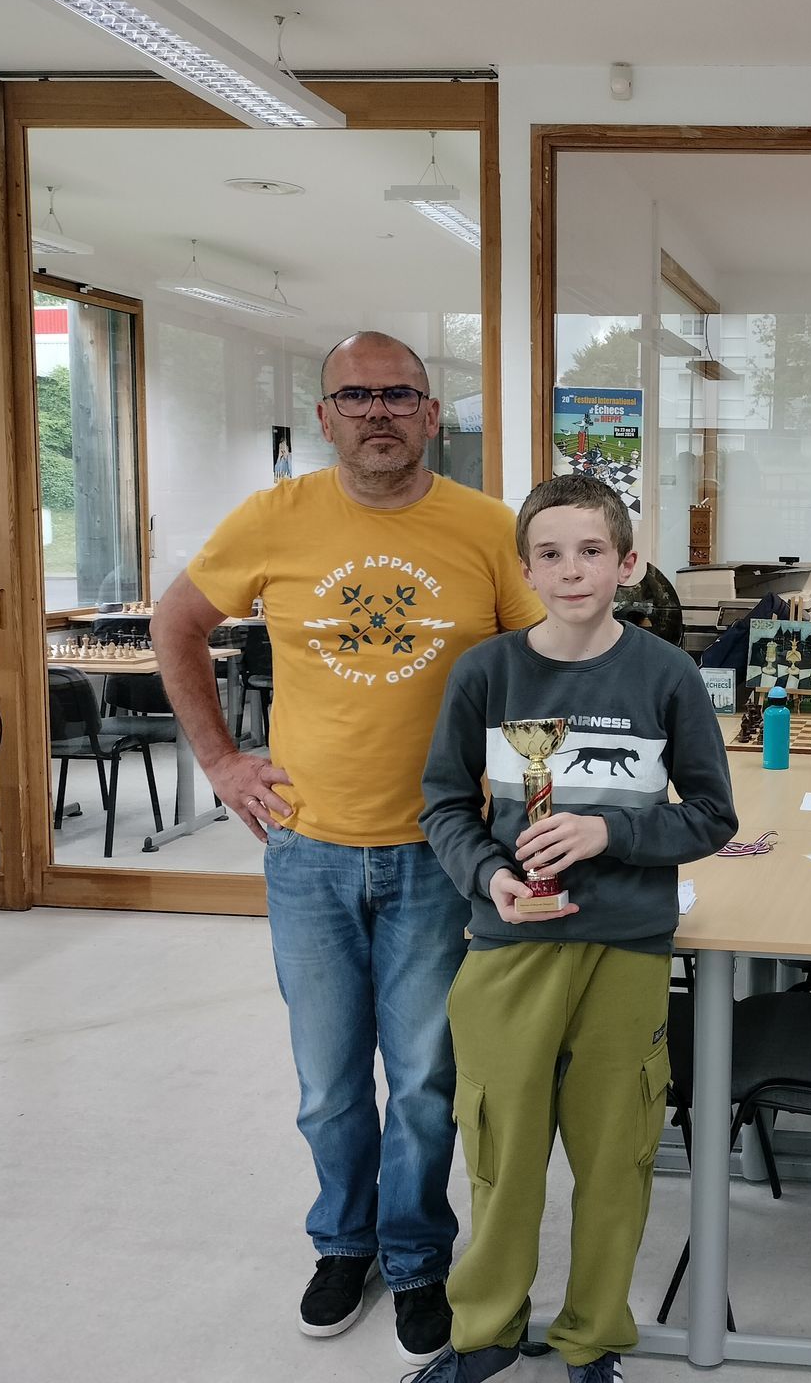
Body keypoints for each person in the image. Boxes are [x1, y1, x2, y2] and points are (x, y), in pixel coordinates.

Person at [152, 331, 545, 1363]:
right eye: (356, 396)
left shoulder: (488, 528)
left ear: (431, 415)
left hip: (440, 852)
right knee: (328, 1083)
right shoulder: (272, 518)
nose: (378, 412)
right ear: (325, 416)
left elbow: (546, 665)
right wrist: (222, 760)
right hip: (308, 851)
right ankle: (342, 1243)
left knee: (422, 1080)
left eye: (400, 395)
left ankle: (414, 1257)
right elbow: (175, 623)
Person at [416, 473, 737, 1383]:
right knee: (500, 1156)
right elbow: (445, 805)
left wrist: (610, 832)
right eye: (549, 554)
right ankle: (485, 1333)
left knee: (615, 1158)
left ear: (627, 564)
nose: (571, 570)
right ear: (524, 569)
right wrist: (488, 875)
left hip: (624, 949)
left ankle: (593, 1338)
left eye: (591, 551)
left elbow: (712, 815)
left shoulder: (667, 675)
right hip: (510, 945)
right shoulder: (486, 673)